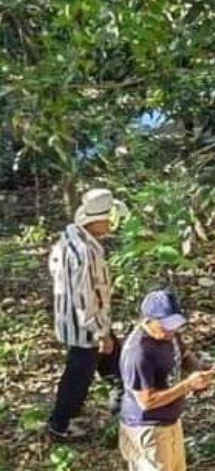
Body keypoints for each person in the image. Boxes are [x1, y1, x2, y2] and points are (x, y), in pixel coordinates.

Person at [119, 289, 215, 471]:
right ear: (148, 321)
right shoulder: (138, 352)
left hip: (171, 421)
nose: (171, 331)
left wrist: (197, 371)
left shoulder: (170, 335)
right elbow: (146, 401)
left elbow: (183, 356)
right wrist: (187, 386)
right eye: (165, 325)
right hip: (146, 428)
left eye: (175, 324)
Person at [47, 188, 124, 440]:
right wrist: (100, 331)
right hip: (86, 324)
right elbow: (84, 296)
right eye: (108, 220)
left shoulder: (68, 240)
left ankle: (121, 402)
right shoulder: (84, 252)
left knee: (113, 359)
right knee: (78, 375)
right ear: (94, 221)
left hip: (75, 319)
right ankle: (60, 424)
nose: (111, 225)